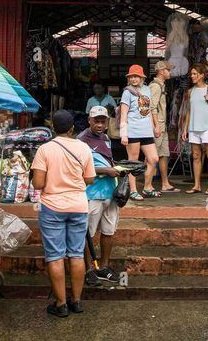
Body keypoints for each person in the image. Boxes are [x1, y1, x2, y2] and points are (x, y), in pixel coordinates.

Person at [31, 109, 95, 317]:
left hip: (52, 207)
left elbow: (38, 183)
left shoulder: (45, 150)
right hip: (78, 206)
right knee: (76, 254)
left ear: (52, 128)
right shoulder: (84, 148)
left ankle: (61, 305)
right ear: (72, 128)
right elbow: (89, 179)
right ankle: (76, 301)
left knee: (55, 256)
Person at [78, 105, 123, 285]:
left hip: (110, 193)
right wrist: (106, 170)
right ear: (89, 121)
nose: (99, 124)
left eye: (103, 121)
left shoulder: (105, 138)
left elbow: (105, 161)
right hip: (92, 193)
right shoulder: (81, 141)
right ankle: (89, 269)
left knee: (108, 231)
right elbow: (80, 169)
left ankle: (103, 267)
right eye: (96, 121)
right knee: (87, 234)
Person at [119, 64, 160, 200]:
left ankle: (147, 187)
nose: (134, 79)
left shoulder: (147, 90)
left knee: (153, 158)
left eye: (136, 76)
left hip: (146, 131)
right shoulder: (127, 92)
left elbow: (148, 110)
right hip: (133, 131)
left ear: (142, 77)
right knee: (133, 162)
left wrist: (154, 126)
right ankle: (133, 190)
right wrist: (123, 134)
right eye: (131, 76)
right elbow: (124, 114)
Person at [182, 63, 208, 195]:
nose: (192, 76)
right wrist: (185, 129)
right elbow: (189, 111)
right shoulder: (190, 91)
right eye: (191, 74)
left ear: (202, 75)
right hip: (193, 127)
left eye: (195, 74)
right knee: (196, 156)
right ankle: (196, 185)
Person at [149, 59, 180, 192]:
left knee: (164, 154)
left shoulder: (161, 85)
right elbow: (152, 107)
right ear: (162, 71)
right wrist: (156, 126)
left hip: (162, 124)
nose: (170, 72)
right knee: (151, 156)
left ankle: (165, 184)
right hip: (158, 125)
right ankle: (147, 185)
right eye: (168, 70)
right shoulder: (155, 86)